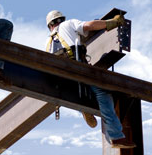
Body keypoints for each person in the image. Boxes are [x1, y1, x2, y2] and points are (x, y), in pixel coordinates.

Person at [45, 10, 136, 149]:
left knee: (81, 91)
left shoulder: (48, 41)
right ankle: (116, 136)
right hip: (75, 70)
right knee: (101, 92)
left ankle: (83, 107)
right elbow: (89, 26)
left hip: (59, 81)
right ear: (61, 19)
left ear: (50, 26)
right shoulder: (68, 24)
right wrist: (110, 23)